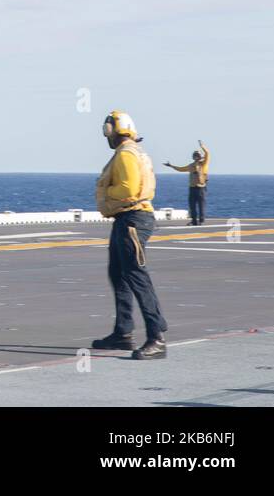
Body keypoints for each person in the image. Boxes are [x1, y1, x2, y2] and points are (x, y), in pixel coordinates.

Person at [92, 110, 169, 360]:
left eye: (108, 130)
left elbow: (128, 188)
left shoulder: (125, 154)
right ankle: (123, 333)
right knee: (118, 274)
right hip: (125, 220)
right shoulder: (131, 152)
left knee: (136, 275)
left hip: (133, 220)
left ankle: (157, 338)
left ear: (118, 130)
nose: (107, 136)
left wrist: (105, 191)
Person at [163, 141, 210, 226]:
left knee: (201, 205)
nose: (196, 156)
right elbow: (181, 169)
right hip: (192, 188)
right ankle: (194, 221)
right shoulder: (191, 166)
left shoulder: (203, 164)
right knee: (192, 206)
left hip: (201, 188)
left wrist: (202, 146)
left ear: (200, 156)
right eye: (195, 155)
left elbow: (207, 154)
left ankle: (201, 221)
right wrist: (171, 166)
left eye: (197, 155)